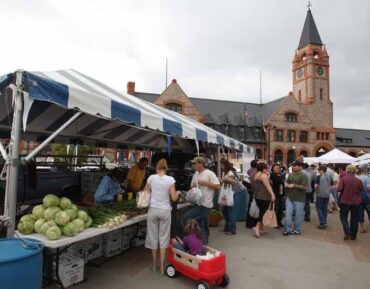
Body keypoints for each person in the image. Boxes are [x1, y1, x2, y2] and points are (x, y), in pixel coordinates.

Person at [144, 159, 180, 274]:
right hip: (165, 211)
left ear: (157, 167)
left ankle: (154, 266)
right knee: (164, 238)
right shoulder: (170, 180)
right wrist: (178, 193)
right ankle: (162, 269)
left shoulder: (151, 178)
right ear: (166, 168)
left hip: (153, 210)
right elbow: (174, 198)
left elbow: (145, 192)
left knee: (153, 237)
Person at [181, 157, 221, 245]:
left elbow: (218, 186)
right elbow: (192, 187)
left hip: (204, 203)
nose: (193, 166)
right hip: (196, 202)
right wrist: (194, 186)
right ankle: (202, 244)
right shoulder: (195, 175)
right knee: (202, 224)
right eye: (192, 164)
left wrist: (204, 183)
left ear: (201, 164)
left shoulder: (209, 173)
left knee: (186, 218)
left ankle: (187, 240)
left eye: (194, 164)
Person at [337, 165, 363, 241]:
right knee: (354, 218)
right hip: (356, 201)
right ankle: (353, 235)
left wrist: (338, 199)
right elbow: (362, 189)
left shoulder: (343, 179)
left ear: (347, 170)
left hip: (345, 200)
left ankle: (347, 231)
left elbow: (339, 189)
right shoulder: (358, 180)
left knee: (343, 217)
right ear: (354, 171)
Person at [283, 161, 308, 236]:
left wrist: (294, 185)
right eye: (293, 166)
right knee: (288, 213)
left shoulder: (304, 176)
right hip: (290, 197)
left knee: (298, 215)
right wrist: (287, 184)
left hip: (300, 198)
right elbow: (286, 182)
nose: (293, 167)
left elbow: (305, 187)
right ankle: (287, 229)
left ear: (300, 167)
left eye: (295, 166)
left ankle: (297, 229)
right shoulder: (291, 175)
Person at [253, 162, 276, 238]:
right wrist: (272, 194)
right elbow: (268, 186)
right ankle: (257, 227)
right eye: (266, 168)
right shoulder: (264, 176)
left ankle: (261, 229)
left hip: (257, 196)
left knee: (261, 211)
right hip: (264, 197)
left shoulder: (256, 175)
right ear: (263, 169)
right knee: (263, 213)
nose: (267, 169)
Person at [220, 161, 236, 235]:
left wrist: (224, 179)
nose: (221, 166)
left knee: (230, 212)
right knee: (225, 211)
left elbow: (233, 181)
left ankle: (232, 229)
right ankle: (227, 227)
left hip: (229, 194)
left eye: (222, 165)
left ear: (225, 165)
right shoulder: (224, 173)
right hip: (225, 194)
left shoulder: (230, 172)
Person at [355, 166, 370, 233]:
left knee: (360, 212)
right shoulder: (366, 177)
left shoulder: (355, 177)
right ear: (364, 170)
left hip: (357, 196)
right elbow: (369, 188)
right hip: (366, 196)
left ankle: (362, 228)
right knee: (369, 210)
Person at [270, 163, 285, 228]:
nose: (278, 169)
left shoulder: (280, 174)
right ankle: (275, 223)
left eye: (279, 168)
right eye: (276, 168)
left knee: (281, 210)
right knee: (276, 209)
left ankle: (279, 222)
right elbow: (277, 181)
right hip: (275, 195)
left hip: (281, 194)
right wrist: (281, 178)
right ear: (273, 169)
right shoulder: (272, 175)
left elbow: (282, 182)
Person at [245, 159, 258, 229]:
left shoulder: (248, 171)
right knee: (254, 207)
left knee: (251, 206)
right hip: (254, 191)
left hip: (249, 190)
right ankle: (253, 223)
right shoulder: (255, 172)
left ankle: (248, 223)